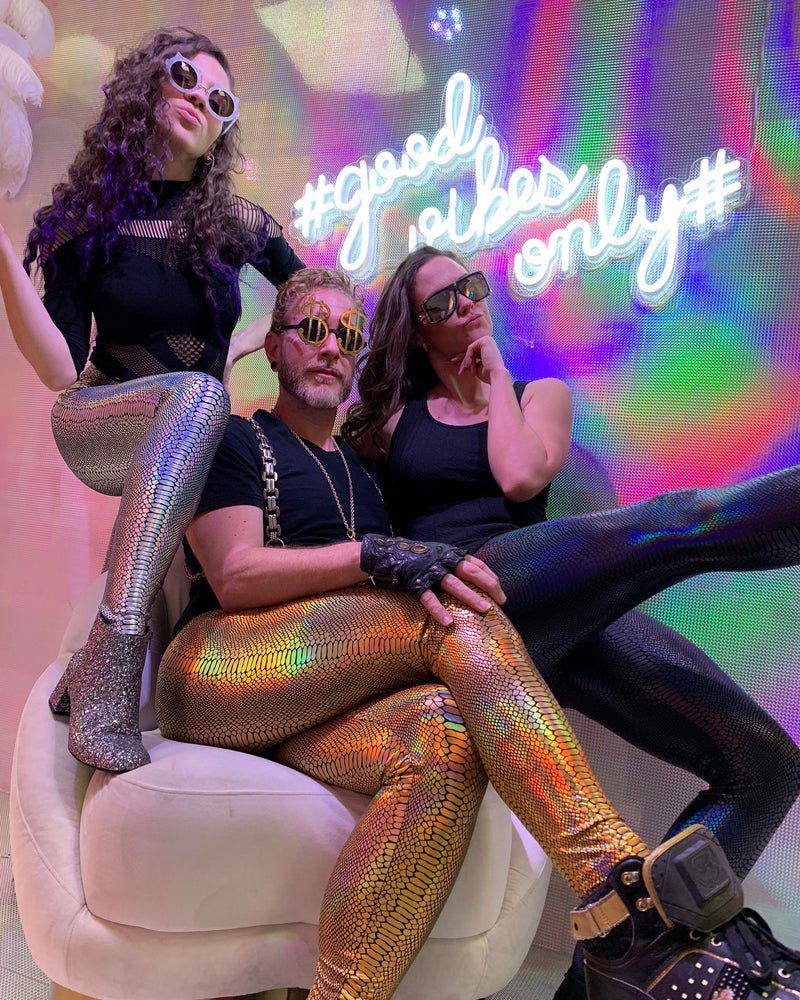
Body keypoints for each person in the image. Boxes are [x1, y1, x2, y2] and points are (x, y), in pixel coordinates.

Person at [155, 266, 799, 1000]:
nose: (332, 345)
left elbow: (514, 478)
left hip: (323, 699)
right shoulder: (238, 439)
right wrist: (377, 555)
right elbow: (234, 574)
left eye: (348, 333)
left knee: (447, 736)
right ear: (274, 346)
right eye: (312, 328)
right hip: (218, 669)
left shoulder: (363, 477)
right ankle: (623, 898)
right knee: (453, 606)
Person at [343, 244, 800, 996]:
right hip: (464, 606)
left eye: (470, 286)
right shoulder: (391, 424)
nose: (465, 304)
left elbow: (522, 474)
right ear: (417, 331)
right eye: (441, 302)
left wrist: (496, 381)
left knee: (766, 765)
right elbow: (504, 481)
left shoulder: (540, 395)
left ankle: (601, 981)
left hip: (550, 599)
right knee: (674, 522)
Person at [0, 28, 305, 772]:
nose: (201, 101)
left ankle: (88, 674)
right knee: (200, 399)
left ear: (222, 133)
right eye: (185, 78)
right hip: (97, 418)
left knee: (201, 405)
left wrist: (249, 342)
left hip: (186, 431)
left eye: (221, 101)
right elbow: (59, 367)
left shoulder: (238, 225)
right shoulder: (85, 225)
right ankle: (106, 687)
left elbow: (314, 299)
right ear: (147, 85)